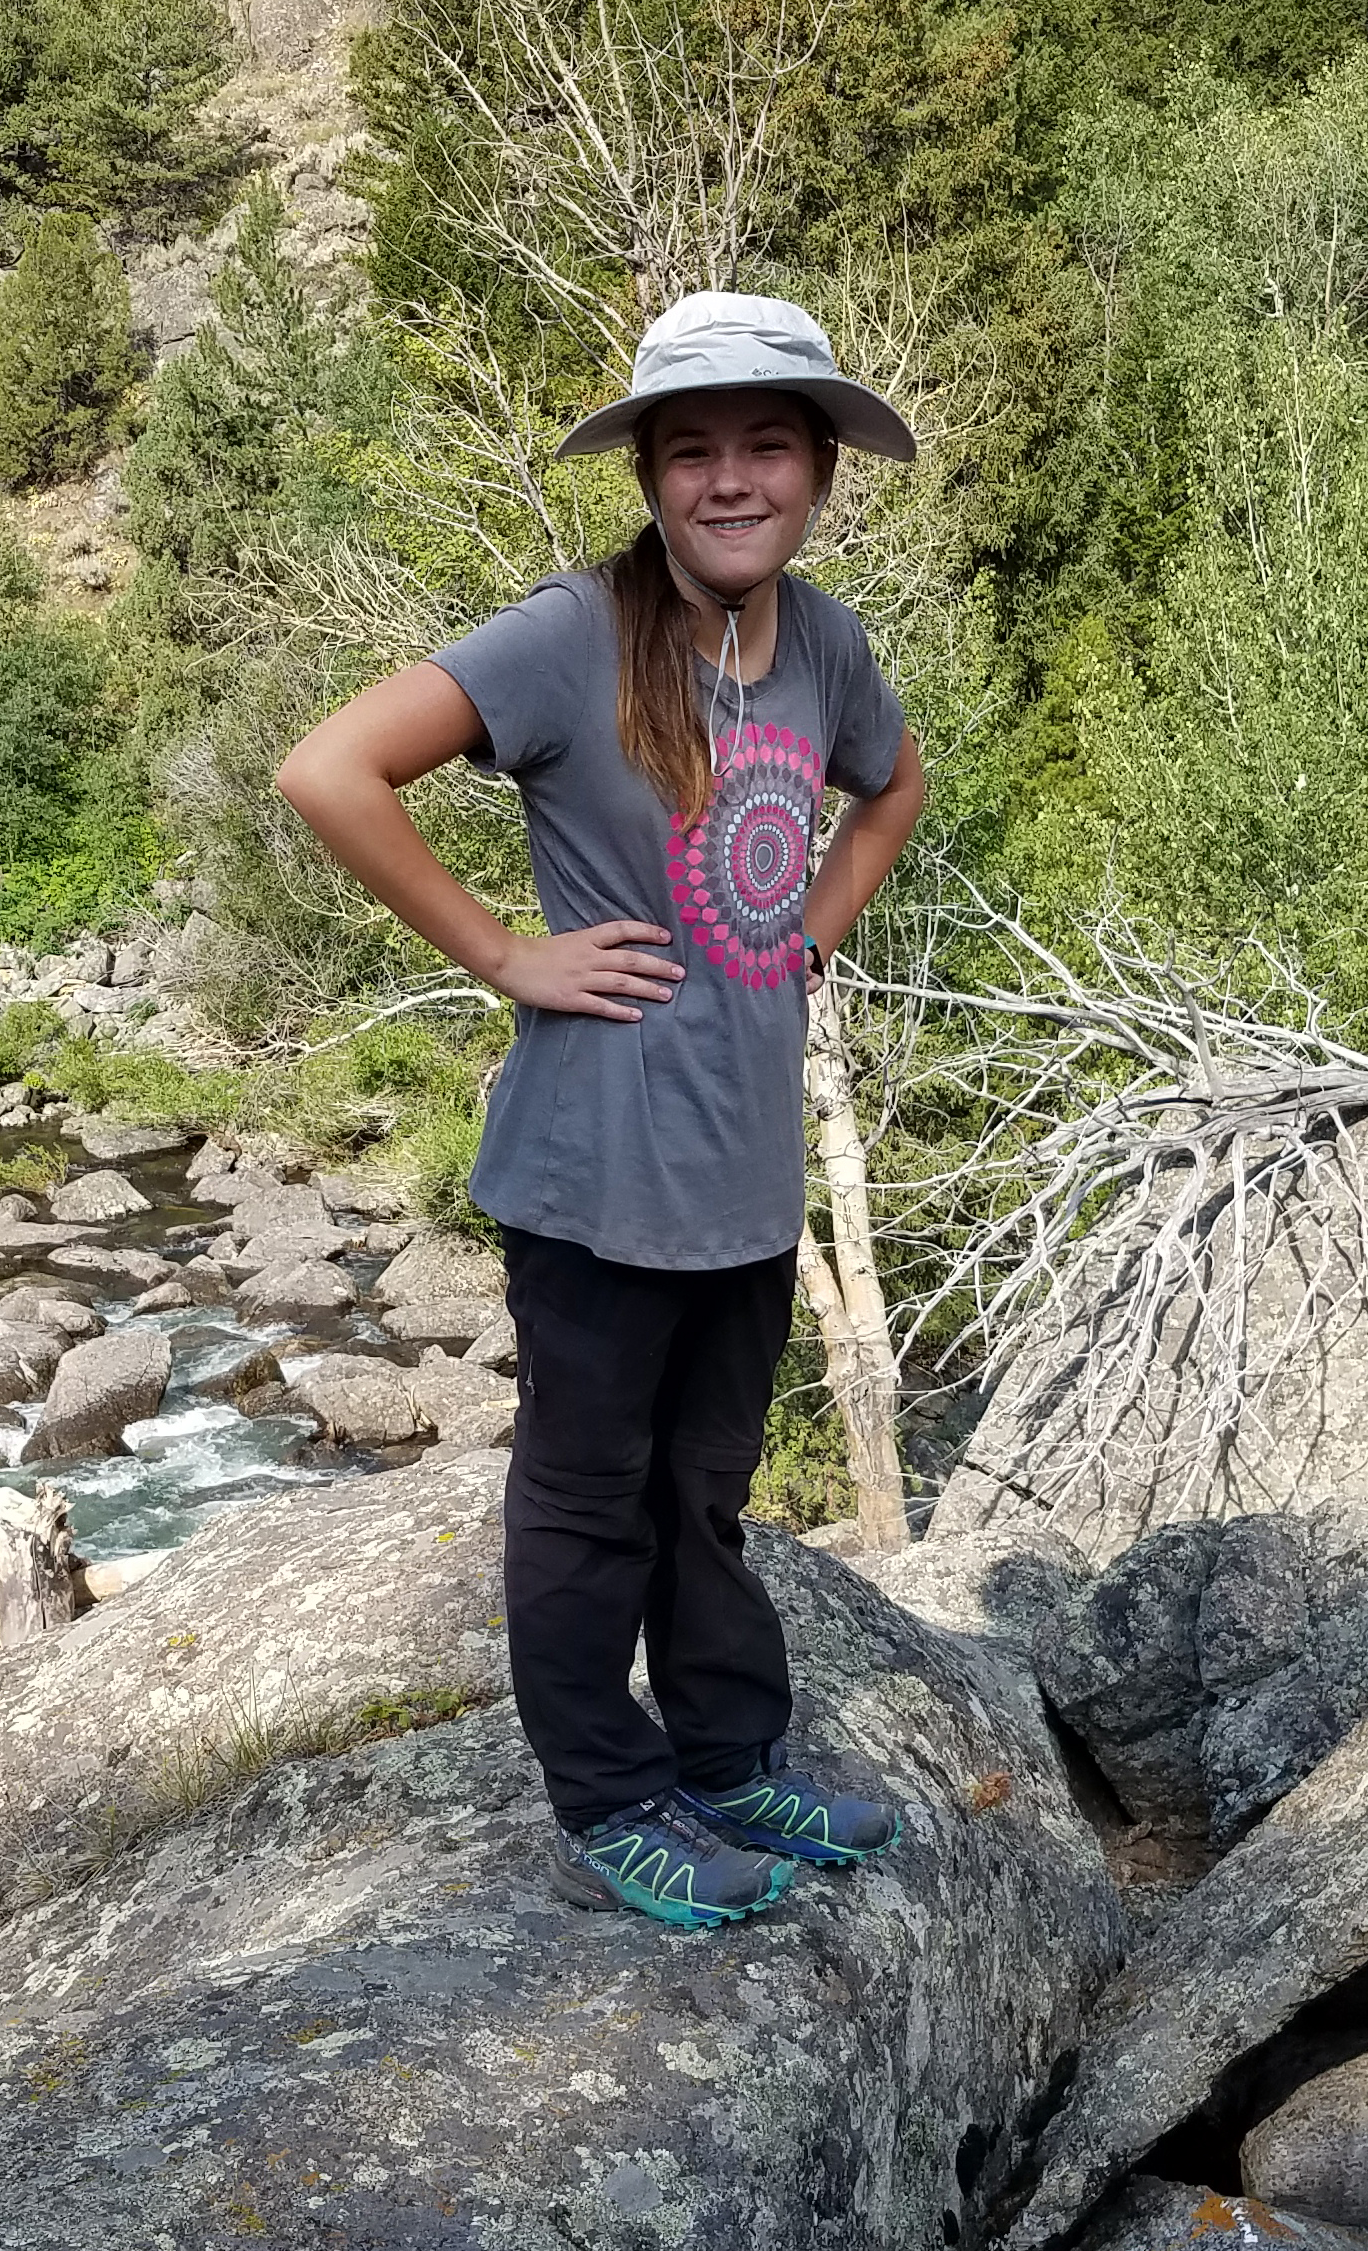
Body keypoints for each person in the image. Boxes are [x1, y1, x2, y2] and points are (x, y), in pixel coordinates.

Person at [275, 293, 930, 1930]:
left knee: (706, 1486)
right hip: (593, 1170)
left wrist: (817, 926)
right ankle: (611, 1796)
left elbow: (894, 785)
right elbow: (330, 770)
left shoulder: (825, 643)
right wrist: (508, 950)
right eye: (691, 449)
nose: (730, 479)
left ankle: (727, 1756)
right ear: (647, 473)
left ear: (816, 473)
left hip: (741, 1165)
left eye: (764, 446)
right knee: (587, 1496)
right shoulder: (570, 634)